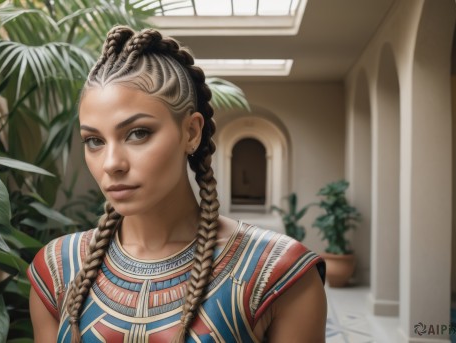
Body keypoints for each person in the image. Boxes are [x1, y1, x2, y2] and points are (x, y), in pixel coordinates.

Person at [27, 26, 327, 343]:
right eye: (94, 141)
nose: (112, 163)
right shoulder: (58, 270)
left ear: (191, 133)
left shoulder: (278, 274)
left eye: (138, 133)